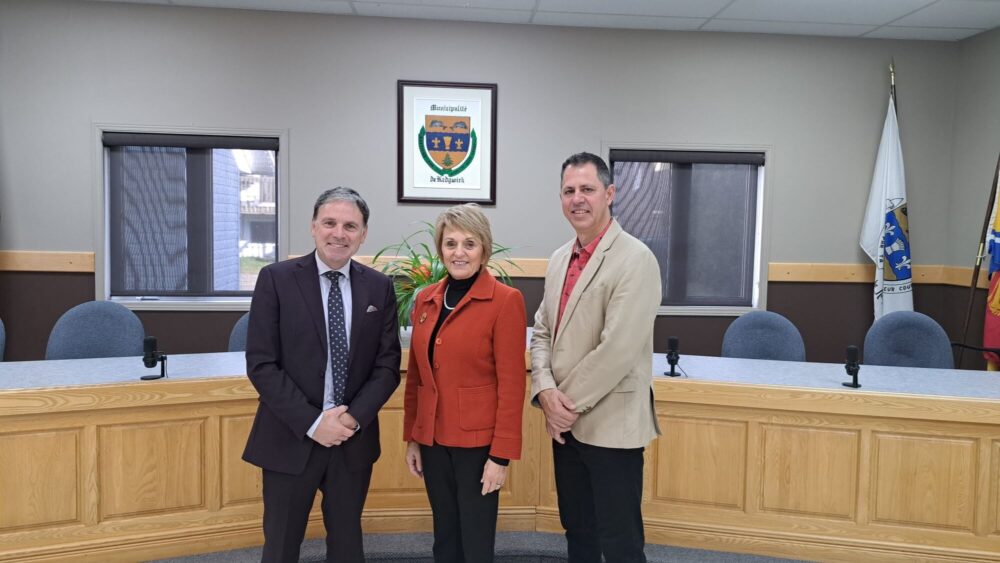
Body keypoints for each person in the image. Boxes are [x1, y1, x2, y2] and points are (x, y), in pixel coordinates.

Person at [243, 187, 402, 563]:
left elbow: (387, 366)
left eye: (350, 226)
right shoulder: (276, 279)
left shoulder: (379, 286)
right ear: (313, 227)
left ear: (363, 235)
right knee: (281, 547)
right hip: (289, 437)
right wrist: (314, 422)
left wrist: (350, 418)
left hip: (352, 439)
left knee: (348, 546)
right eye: (330, 223)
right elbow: (262, 364)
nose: (339, 233)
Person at [530, 152, 662, 563]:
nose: (577, 199)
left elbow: (617, 350)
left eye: (587, 189)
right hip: (565, 426)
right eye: (569, 191)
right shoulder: (557, 260)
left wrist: (561, 404)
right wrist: (546, 393)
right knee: (578, 533)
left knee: (620, 541)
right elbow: (542, 332)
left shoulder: (636, 259)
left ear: (609, 193)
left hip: (611, 426)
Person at [402, 203, 527, 563]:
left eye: (469, 244)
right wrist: (414, 436)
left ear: (484, 249)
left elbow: (512, 384)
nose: (459, 253)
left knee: (474, 542)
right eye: (451, 243)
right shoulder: (425, 299)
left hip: (479, 446)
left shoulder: (506, 301)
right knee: (444, 537)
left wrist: (500, 457)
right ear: (440, 248)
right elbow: (418, 376)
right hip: (433, 439)